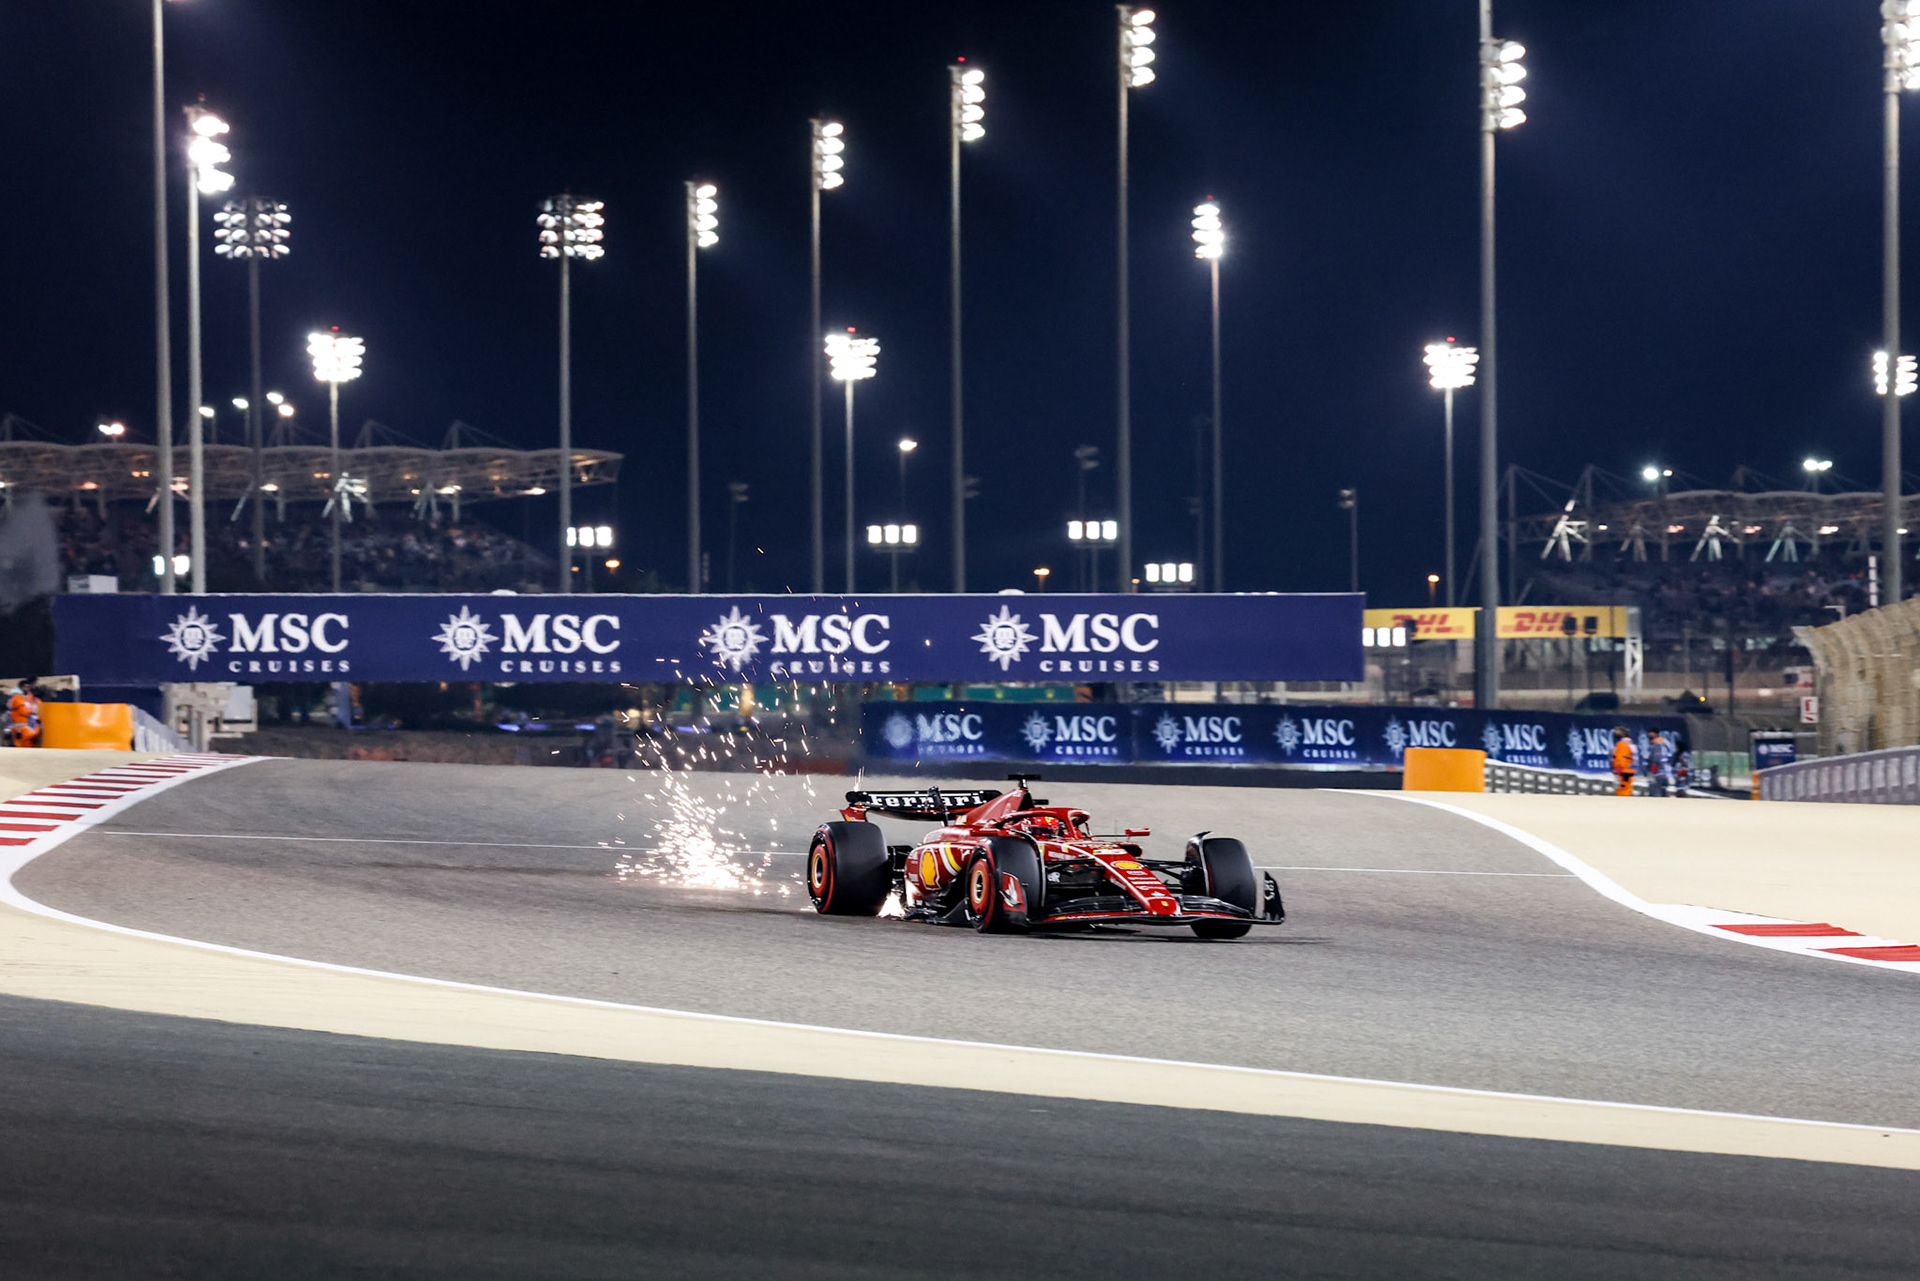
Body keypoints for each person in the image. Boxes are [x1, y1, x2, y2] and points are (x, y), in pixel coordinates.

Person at [6, 679, 43, 749]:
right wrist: (33, 713)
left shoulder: (30, 699)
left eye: (28, 687)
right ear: (21, 687)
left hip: (27, 724)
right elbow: (24, 711)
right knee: (25, 741)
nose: (27, 689)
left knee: (28, 744)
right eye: (25, 687)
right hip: (20, 725)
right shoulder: (17, 697)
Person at [1645, 729, 1674, 797]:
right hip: (1665, 772)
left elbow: (1656, 758)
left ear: (1655, 734)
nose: (1649, 735)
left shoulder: (1657, 744)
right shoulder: (1665, 743)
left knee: (1655, 794)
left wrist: (1652, 772)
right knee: (1663, 793)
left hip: (1657, 773)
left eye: (1650, 733)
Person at [1610, 726, 1635, 797]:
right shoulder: (1630, 743)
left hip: (1623, 770)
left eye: (1617, 731)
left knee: (1622, 788)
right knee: (1627, 787)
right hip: (1629, 769)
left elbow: (1620, 757)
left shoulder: (1622, 744)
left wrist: (1618, 768)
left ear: (1622, 732)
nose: (1616, 732)